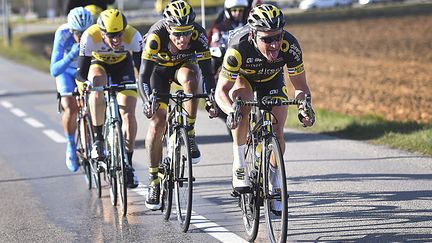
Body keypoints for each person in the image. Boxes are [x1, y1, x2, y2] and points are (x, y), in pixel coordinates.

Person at [215, 4, 315, 212]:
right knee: (241, 103)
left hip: (272, 79)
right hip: (244, 78)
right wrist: (230, 110)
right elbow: (220, 91)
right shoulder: (238, 48)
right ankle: (240, 163)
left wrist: (305, 106)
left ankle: (274, 179)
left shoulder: (290, 45)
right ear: (253, 35)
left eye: (277, 37)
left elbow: (300, 86)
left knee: (277, 131)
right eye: (267, 39)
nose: (274, 44)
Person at [137, 0, 217, 210]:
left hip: (183, 67)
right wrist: (147, 102)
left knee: (192, 79)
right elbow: (143, 77)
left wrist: (210, 98)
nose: (182, 39)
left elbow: (208, 73)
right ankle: (154, 180)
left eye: (186, 33)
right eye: (177, 34)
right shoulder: (155, 37)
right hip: (158, 73)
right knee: (157, 123)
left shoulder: (199, 36)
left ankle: (189, 132)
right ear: (168, 29)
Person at [76, 9, 143, 188]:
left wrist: (144, 87)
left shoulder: (134, 36)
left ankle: (127, 164)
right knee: (96, 82)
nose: (116, 40)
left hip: (123, 66)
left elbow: (143, 71)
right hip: (99, 64)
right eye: (111, 36)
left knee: (128, 115)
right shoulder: (89, 37)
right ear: (101, 32)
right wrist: (84, 84)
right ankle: (98, 140)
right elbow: (81, 73)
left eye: (119, 35)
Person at [50, 7, 94, 172]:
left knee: (98, 99)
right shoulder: (62, 34)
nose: (82, 37)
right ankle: (70, 145)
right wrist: (70, 55)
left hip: (86, 70)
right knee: (70, 106)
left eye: (86, 33)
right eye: (78, 33)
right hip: (67, 72)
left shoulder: (96, 33)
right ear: (71, 30)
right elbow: (54, 70)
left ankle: (97, 139)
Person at [208, 0, 249, 81]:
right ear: (228, 11)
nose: (238, 13)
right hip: (227, 59)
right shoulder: (219, 27)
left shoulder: (249, 26)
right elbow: (213, 45)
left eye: (241, 10)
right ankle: (212, 86)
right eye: (234, 10)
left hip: (245, 60)